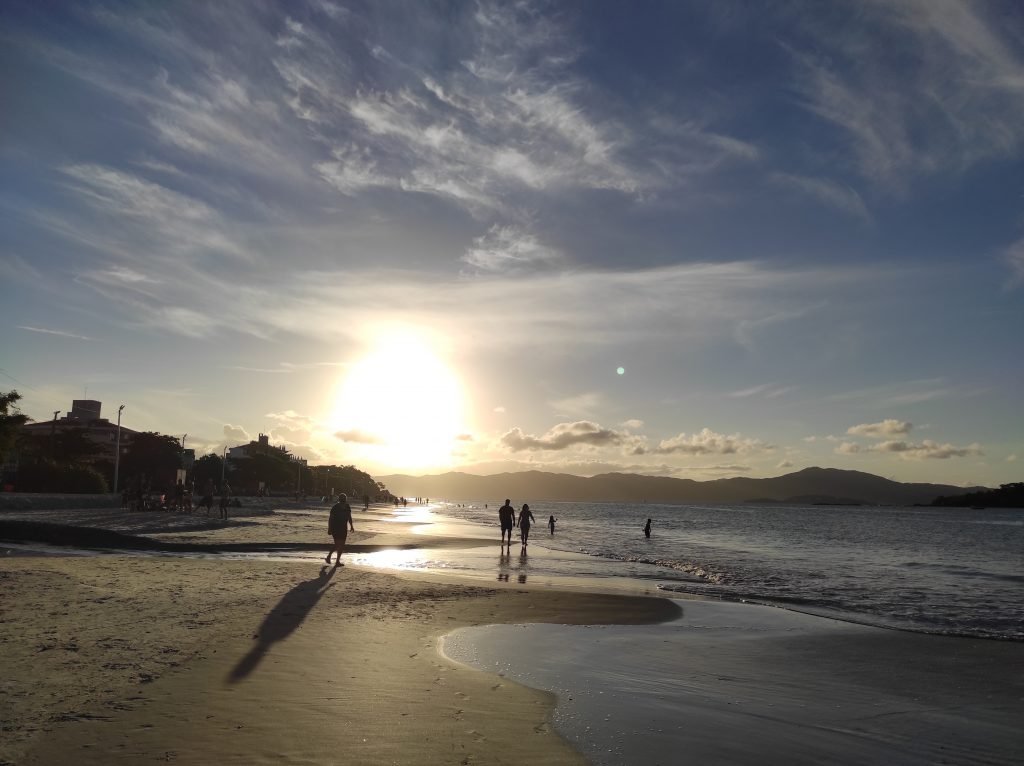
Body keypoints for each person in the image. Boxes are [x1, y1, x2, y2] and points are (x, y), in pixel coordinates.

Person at [326, 493, 355, 566]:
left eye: (344, 498)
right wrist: (329, 528)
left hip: (343, 528)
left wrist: (351, 526)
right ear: (339, 499)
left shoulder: (347, 506)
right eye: (342, 498)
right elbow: (331, 519)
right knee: (337, 544)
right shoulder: (335, 507)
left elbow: (349, 517)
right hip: (335, 527)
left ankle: (337, 561)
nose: (343, 500)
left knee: (341, 545)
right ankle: (329, 556)